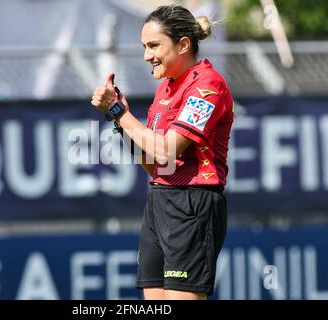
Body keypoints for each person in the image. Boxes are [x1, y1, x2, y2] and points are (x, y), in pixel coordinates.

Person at [91, 4, 233, 300]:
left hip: (193, 204)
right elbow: (156, 166)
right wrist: (122, 121)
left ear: (183, 44)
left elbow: (167, 150)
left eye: (154, 45)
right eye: (144, 46)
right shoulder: (166, 89)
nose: (146, 56)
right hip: (159, 200)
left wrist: (119, 113)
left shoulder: (208, 85)